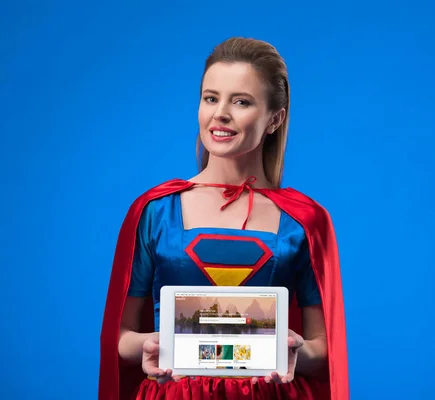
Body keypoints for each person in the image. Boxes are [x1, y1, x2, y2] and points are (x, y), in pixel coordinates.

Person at [99, 37, 349, 400]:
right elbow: (120, 338)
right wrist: (152, 345)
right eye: (211, 98)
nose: (220, 114)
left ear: (274, 119)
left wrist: (292, 348)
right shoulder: (156, 211)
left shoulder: (304, 221)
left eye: (242, 101)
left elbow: (324, 347)